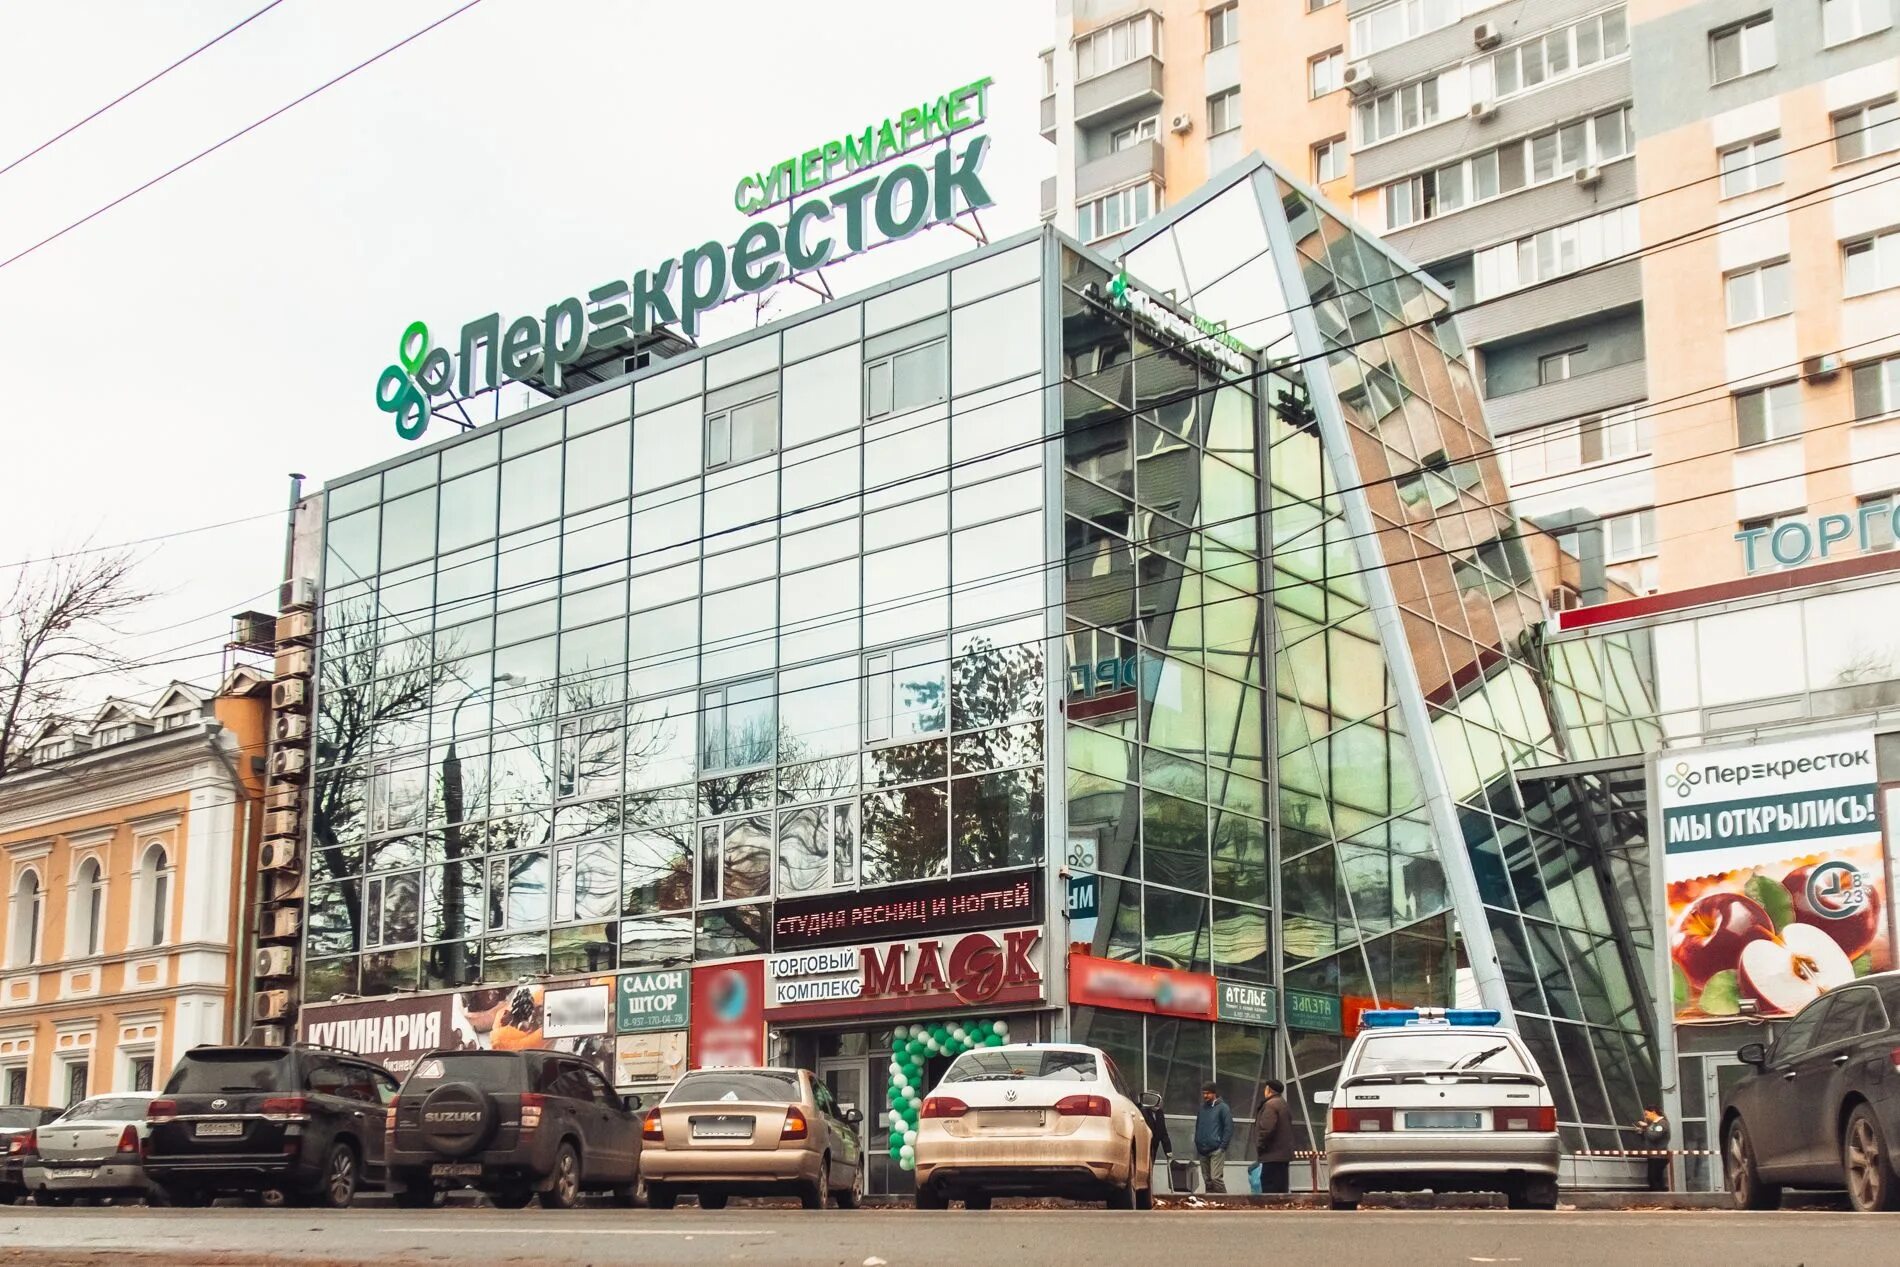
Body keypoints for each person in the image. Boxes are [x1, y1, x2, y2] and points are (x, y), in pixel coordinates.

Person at [1253, 1079, 1294, 1195]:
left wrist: (1260, 1146)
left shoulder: (1270, 1105)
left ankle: (1270, 1212)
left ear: (1269, 1090)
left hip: (1272, 1155)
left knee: (1270, 1188)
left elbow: (1266, 1129)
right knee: (1281, 1188)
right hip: (1282, 1155)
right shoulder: (1283, 1103)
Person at [1194, 1082, 1233, 1193]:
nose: (1205, 1096)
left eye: (1208, 1093)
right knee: (1207, 1180)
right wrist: (1198, 1143)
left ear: (1214, 1093)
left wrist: (1222, 1147)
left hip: (1216, 1149)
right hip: (1202, 1150)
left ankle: (1225, 1202)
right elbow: (1198, 1126)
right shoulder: (1202, 1109)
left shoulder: (1223, 1108)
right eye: (1204, 1093)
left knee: (1216, 1178)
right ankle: (1211, 1205)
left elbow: (1228, 1128)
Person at [1633, 1107, 1670, 1192]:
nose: (1646, 1117)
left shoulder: (1662, 1124)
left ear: (1653, 1112)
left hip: (1659, 1156)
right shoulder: (1654, 1124)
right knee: (1655, 1178)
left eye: (1647, 1114)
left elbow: (1654, 1136)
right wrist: (1642, 1132)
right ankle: (1660, 1196)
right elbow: (1650, 1136)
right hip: (1654, 1155)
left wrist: (1645, 1128)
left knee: (1654, 1178)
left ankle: (1658, 1197)